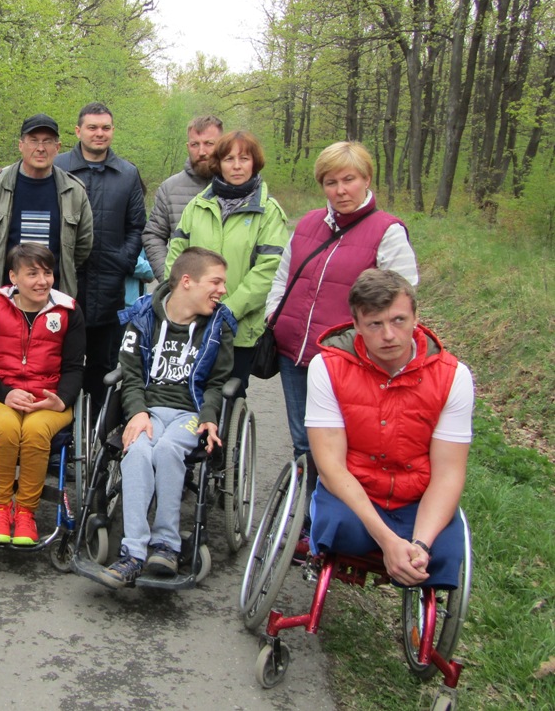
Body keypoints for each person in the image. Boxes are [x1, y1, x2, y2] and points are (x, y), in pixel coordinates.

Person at [306, 269, 473, 588]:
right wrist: (388, 541)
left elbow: (448, 473)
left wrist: (420, 545)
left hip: (418, 499)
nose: (389, 335)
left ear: (416, 318)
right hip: (354, 494)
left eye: (398, 320)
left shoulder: (454, 377)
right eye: (375, 324)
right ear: (356, 325)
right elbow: (330, 466)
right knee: (340, 528)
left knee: (444, 552)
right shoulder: (326, 367)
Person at [267, 141, 418, 460]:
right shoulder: (307, 224)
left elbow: (402, 301)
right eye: (331, 182)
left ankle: (333, 495)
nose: (340, 190)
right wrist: (274, 315)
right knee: (303, 444)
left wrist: (363, 342)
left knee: (342, 448)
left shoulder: (387, 231)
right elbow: (282, 277)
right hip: (294, 355)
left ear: (366, 179)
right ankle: (306, 493)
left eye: (349, 179)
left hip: (349, 361)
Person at [95, 248, 236, 588]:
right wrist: (137, 412)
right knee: (137, 450)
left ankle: (166, 545)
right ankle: (133, 553)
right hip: (149, 410)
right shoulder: (143, 316)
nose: (222, 290)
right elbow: (129, 373)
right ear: (187, 281)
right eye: (215, 282)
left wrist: (210, 416)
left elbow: (217, 383)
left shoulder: (219, 326)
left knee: (169, 449)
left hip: (191, 413)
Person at [0, 244, 85, 546]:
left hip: (49, 398)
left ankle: (26, 512)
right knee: (6, 428)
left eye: (47, 273)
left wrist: (61, 399)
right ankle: (0, 510)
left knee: (34, 430)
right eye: (32, 274)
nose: (42, 281)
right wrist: (4, 393)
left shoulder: (69, 310)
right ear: (13, 277)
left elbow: (74, 368)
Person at [166, 130, 288, 395]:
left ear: (254, 163)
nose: (236, 166)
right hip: (192, 323)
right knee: (184, 395)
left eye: (244, 159)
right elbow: (177, 255)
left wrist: (228, 310)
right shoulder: (197, 206)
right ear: (218, 163)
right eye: (229, 159)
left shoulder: (269, 212)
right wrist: (182, 299)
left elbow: (269, 269)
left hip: (237, 331)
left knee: (226, 398)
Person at [54, 102, 147, 404]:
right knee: (60, 361)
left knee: (103, 366)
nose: (99, 133)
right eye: (92, 127)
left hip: (109, 286)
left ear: (112, 131)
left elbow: (137, 226)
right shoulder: (58, 167)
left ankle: (95, 426)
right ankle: (61, 425)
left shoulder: (127, 174)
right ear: (78, 131)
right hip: (64, 283)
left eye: (105, 128)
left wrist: (124, 261)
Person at [0, 113, 93, 298]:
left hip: (54, 296)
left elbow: (82, 246)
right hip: (4, 295)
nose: (40, 148)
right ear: (21, 145)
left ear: (57, 147)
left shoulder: (74, 191)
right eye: (33, 141)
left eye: (47, 141)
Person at [142, 114, 224, 281]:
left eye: (209, 143)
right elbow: (153, 236)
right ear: (188, 146)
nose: (202, 152)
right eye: (195, 144)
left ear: (223, 144)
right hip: (185, 289)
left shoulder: (239, 188)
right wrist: (170, 280)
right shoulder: (169, 189)